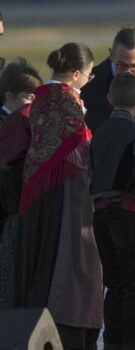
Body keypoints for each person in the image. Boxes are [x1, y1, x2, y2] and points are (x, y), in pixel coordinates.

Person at [19, 42, 103, 350]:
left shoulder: (41, 96)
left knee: (46, 255)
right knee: (70, 258)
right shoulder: (66, 99)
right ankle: (67, 324)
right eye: (90, 75)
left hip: (41, 186)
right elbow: (78, 146)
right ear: (77, 74)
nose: (90, 80)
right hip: (67, 189)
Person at [90, 72, 135, 350]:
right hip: (129, 216)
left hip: (100, 216)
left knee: (115, 284)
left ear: (109, 99)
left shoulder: (97, 134)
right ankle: (132, 343)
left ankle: (111, 341)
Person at [81, 26, 135, 165]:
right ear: (111, 54)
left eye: (134, 67)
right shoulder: (89, 83)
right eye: (121, 65)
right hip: (94, 170)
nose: (127, 72)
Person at [0, 57, 42, 308]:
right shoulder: (11, 126)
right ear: (10, 96)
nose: (33, 105)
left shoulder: (21, 124)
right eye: (29, 98)